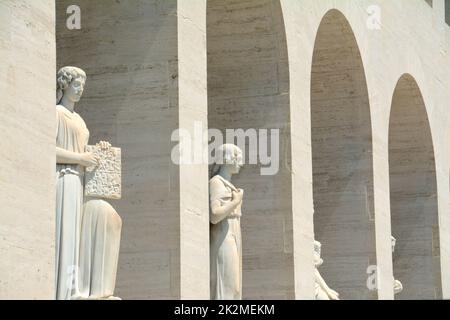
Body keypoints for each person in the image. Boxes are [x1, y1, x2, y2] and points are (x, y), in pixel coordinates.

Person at [209, 144, 244, 300]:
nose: (240, 162)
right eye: (236, 157)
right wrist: (235, 202)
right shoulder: (216, 182)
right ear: (225, 158)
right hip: (224, 235)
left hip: (234, 232)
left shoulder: (227, 184)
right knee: (227, 284)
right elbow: (214, 215)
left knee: (235, 286)